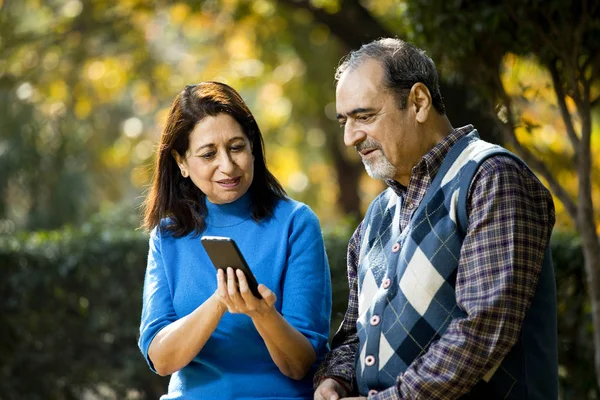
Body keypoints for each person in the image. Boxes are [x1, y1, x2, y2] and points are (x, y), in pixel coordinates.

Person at [313, 38, 557, 399]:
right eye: (344, 121)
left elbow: (483, 329)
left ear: (419, 102)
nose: (351, 136)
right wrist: (335, 379)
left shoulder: (491, 177)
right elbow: (355, 335)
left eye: (364, 116)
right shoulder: (378, 214)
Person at [138, 81, 332, 399]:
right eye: (208, 154)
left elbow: (300, 365)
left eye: (236, 147)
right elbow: (162, 359)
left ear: (252, 146)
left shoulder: (296, 223)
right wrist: (219, 301)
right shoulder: (167, 235)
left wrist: (261, 313)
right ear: (182, 162)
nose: (227, 166)